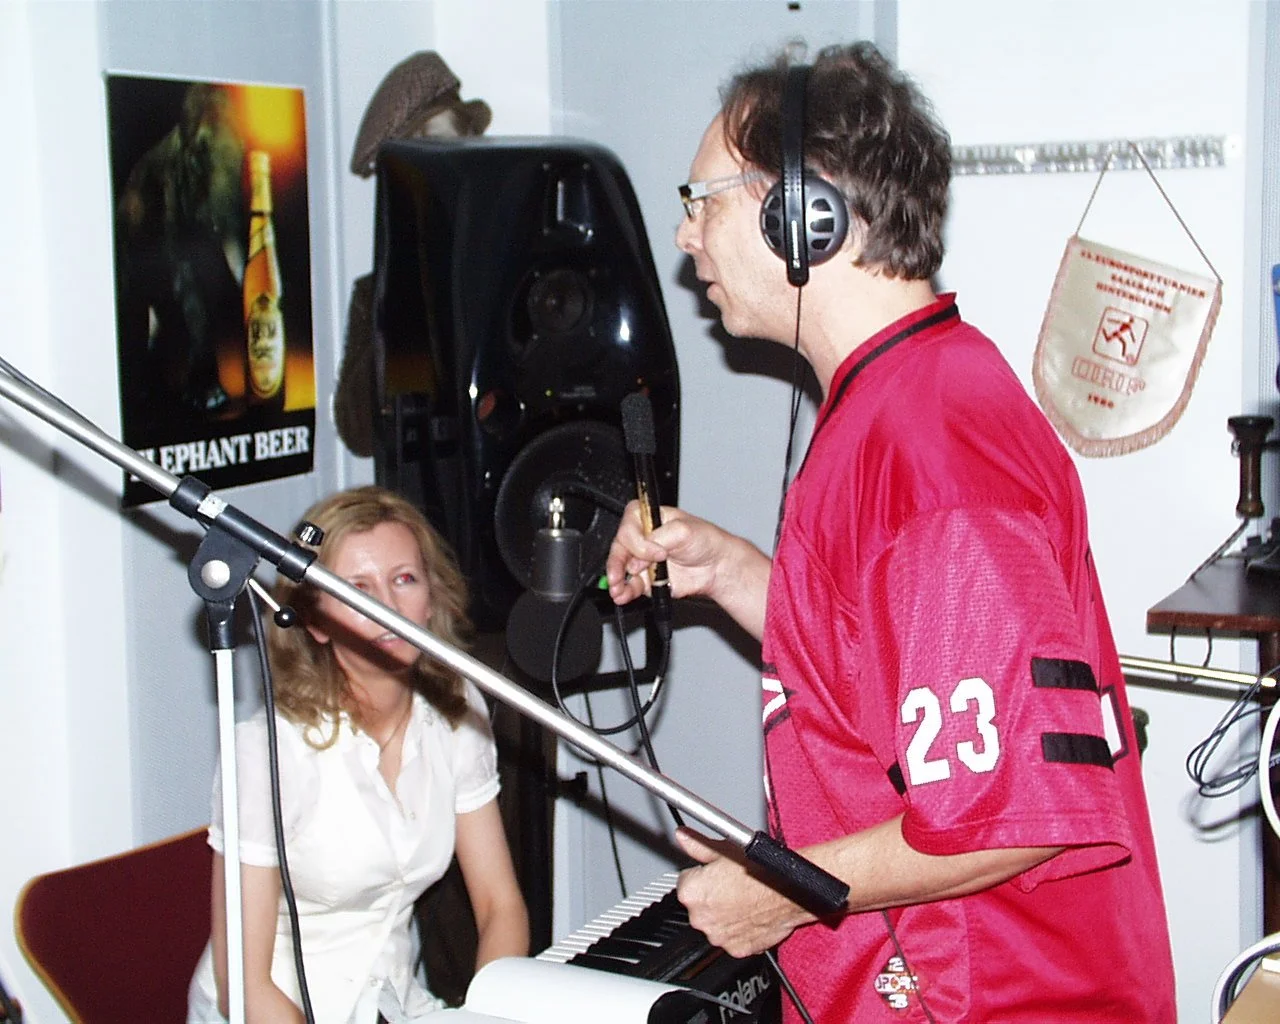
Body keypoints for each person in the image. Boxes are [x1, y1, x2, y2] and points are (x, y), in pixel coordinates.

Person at [606, 42, 1176, 1022]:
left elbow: (1016, 811)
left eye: (702, 200)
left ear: (804, 215)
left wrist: (782, 890)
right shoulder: (905, 401)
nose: (684, 235)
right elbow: (892, 667)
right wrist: (736, 572)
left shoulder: (932, 455)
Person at [188, 485, 529, 1023]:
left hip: (393, 1005)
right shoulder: (267, 750)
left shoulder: (458, 708)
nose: (388, 607)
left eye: (404, 579)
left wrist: (490, 1016)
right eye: (357, 588)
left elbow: (499, 906)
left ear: (431, 600)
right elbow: (245, 986)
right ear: (315, 622)